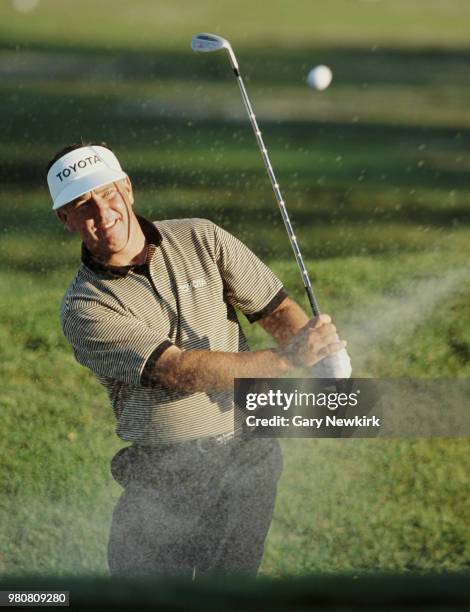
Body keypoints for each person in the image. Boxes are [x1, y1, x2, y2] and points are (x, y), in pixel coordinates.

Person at [46, 142, 348, 578]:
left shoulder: (199, 237)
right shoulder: (85, 307)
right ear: (66, 219)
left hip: (249, 457)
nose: (101, 211)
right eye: (82, 205)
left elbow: (273, 308)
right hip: (164, 474)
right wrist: (288, 361)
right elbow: (178, 371)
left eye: (107, 193)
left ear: (127, 189)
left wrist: (323, 356)